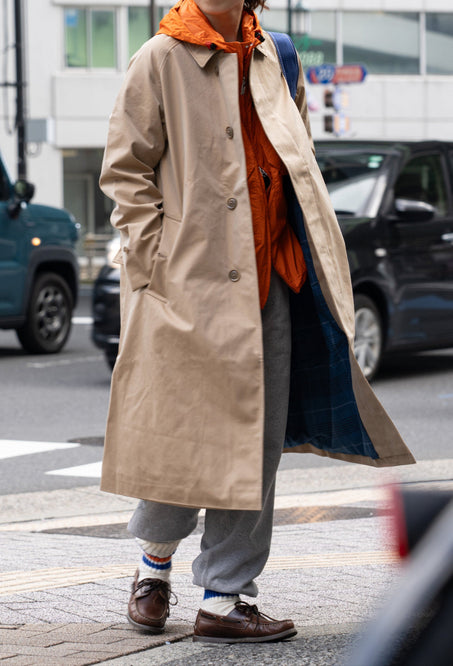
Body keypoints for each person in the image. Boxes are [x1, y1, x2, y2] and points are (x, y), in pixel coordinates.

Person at [99, 0, 415, 644]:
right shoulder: (159, 57)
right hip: (187, 284)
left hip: (272, 278)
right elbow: (125, 170)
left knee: (254, 443)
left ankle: (224, 596)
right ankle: (153, 566)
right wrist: (157, 262)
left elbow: (299, 158)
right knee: (182, 435)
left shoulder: (277, 54)